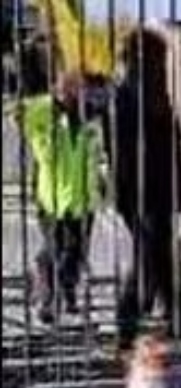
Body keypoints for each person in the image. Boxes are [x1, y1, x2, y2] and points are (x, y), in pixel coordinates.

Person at [108, 29, 181, 357]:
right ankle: (158, 324)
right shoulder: (125, 97)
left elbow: (171, 145)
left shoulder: (157, 94)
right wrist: (129, 195)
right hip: (139, 194)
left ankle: (170, 323)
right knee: (153, 258)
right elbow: (120, 152)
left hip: (162, 190)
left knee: (157, 258)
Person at [7, 69, 103, 326]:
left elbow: (98, 150)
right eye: (67, 85)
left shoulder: (90, 115)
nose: (73, 90)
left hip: (84, 198)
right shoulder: (45, 111)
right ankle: (47, 299)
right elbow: (15, 113)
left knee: (76, 253)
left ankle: (65, 289)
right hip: (52, 198)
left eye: (78, 85)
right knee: (57, 249)